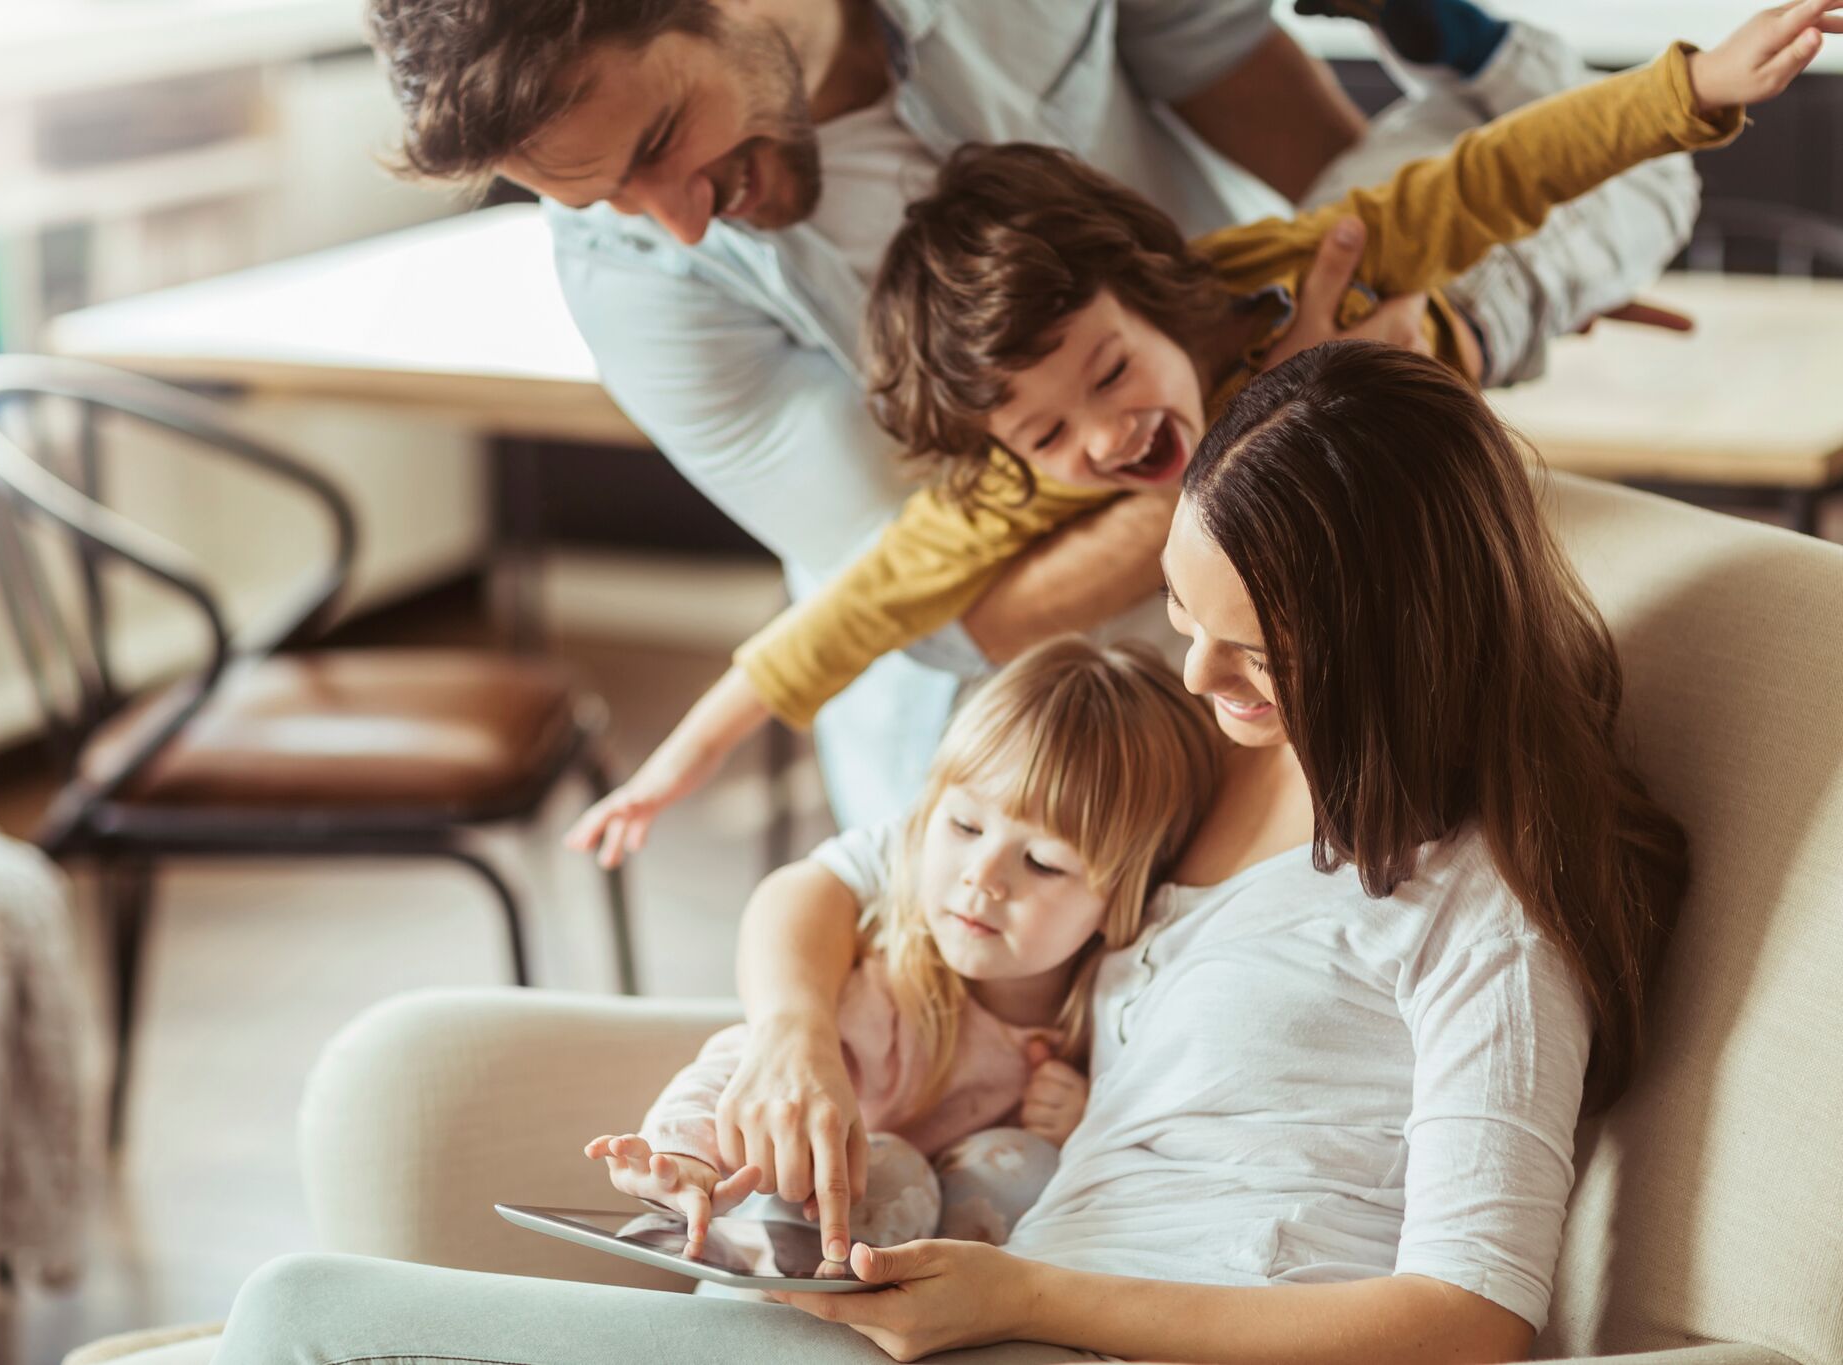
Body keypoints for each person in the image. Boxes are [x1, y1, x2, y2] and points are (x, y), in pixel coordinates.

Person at [205, 337, 1691, 1364]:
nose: (1196, 679)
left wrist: (1020, 1295)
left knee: (295, 1320)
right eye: (1185, 621)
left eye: (1256, 655)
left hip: (1059, 1333)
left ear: (1401, 650)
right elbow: (850, 878)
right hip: (968, 1313)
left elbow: (1470, 1314)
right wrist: (795, 1046)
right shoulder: (1196, 770)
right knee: (306, 1312)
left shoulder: (1484, 908)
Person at [366, 0, 1697, 834]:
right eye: (599, 199)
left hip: (1283, 413)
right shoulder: (644, 287)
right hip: (1047, 723)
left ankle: (1490, 275)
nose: (674, 217)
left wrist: (1435, 265)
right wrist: (1291, 403)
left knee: (1607, 172)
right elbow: (964, 613)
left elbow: (1313, 161)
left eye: (659, 143)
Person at [587, 637, 1222, 1254]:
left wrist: (1080, 1121)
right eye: (965, 825)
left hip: (954, 1296)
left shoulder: (1112, 1017)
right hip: (791, 1251)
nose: (983, 876)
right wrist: (682, 1158)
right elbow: (752, 1066)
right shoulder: (888, 995)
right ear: (921, 825)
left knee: (1028, 1163)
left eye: (1043, 863)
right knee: (891, 1170)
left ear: (1121, 903)